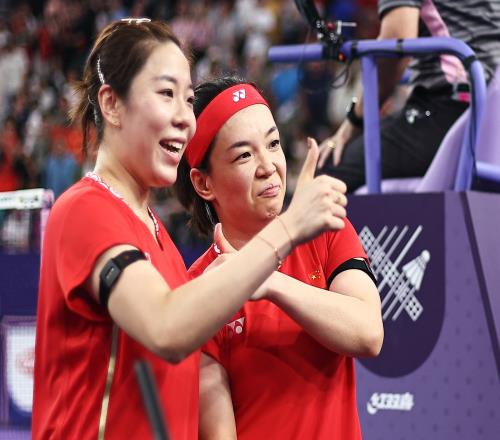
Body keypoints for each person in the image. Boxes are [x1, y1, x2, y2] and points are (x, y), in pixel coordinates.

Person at [31, 19, 352, 440]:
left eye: (187, 99)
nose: (185, 118)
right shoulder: (85, 209)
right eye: (167, 94)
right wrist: (289, 228)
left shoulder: (159, 239)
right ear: (112, 104)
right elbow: (166, 327)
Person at [175, 77, 384, 440]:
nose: (268, 166)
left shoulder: (326, 229)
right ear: (204, 183)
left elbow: (368, 333)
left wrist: (265, 279)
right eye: (244, 155)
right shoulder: (200, 287)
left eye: (273, 144)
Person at [317, 0, 500, 192]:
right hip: (491, 119)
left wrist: (354, 121)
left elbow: (396, 41)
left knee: (324, 177)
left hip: (450, 111)